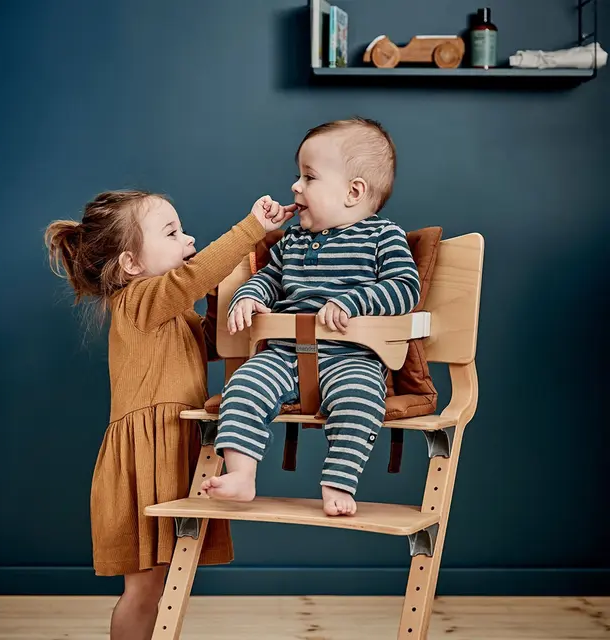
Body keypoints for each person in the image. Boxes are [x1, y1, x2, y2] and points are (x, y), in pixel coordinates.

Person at [44, 190, 294, 640]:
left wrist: (233, 301)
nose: (188, 238)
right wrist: (253, 227)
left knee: (159, 586)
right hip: (146, 459)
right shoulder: (139, 301)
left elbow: (212, 341)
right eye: (172, 233)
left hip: (172, 448)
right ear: (131, 264)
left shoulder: (174, 314)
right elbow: (194, 276)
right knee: (143, 590)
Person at [201, 118, 421, 517]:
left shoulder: (383, 236)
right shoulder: (293, 241)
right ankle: (241, 474)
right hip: (285, 354)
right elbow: (269, 279)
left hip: (351, 358)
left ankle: (338, 481)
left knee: (361, 401)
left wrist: (354, 301)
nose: (295, 187)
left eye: (309, 177)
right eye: (297, 176)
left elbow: (406, 287)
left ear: (354, 192)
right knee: (243, 386)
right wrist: (249, 296)